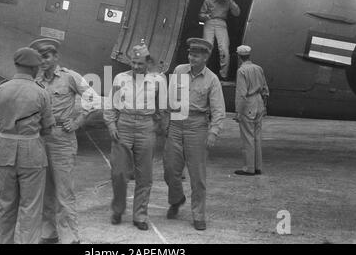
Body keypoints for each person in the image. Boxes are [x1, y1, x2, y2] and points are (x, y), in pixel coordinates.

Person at [30, 38, 98, 244]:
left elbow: (94, 100)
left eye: (46, 56)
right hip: (41, 138)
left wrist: (78, 122)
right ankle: (49, 232)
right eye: (39, 57)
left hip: (62, 139)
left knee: (64, 190)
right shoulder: (35, 81)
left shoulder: (70, 77)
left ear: (55, 57)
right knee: (44, 189)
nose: (43, 61)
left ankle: (69, 237)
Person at [0, 47, 55, 244]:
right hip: (32, 153)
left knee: (4, 206)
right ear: (34, 68)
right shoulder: (41, 93)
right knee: (31, 207)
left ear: (17, 65)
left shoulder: (0, 90)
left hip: (4, 151)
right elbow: (48, 129)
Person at [104, 42, 167, 231]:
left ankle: (140, 215)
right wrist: (111, 124)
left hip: (146, 127)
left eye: (140, 63)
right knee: (119, 173)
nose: (135, 67)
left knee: (144, 175)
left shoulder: (158, 81)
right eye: (133, 62)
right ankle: (118, 208)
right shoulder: (119, 78)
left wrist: (155, 125)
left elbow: (162, 107)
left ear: (148, 63)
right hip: (124, 124)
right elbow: (111, 104)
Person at [164, 38, 226, 231]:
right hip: (175, 125)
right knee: (169, 170)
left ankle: (198, 214)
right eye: (190, 54)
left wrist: (213, 132)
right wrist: (166, 121)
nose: (192, 58)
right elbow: (170, 97)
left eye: (196, 55)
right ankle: (176, 199)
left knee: (197, 176)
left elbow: (218, 110)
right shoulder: (179, 71)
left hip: (197, 127)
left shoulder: (212, 79)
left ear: (205, 57)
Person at [233, 45, 269, 176]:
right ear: (249, 55)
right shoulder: (258, 68)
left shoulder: (241, 71)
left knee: (248, 137)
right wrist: (264, 106)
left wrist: (238, 112)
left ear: (238, 56)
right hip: (259, 102)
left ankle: (249, 168)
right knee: (257, 136)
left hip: (248, 104)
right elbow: (265, 89)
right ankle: (258, 166)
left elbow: (242, 94)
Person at [199, 0, 240, 81]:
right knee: (206, 47)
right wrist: (205, 17)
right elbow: (200, 15)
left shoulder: (228, 0)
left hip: (221, 23)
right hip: (209, 22)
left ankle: (223, 75)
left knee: (224, 49)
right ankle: (200, 72)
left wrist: (230, 0)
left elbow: (237, 13)